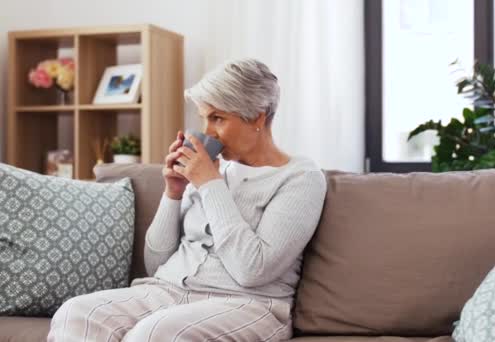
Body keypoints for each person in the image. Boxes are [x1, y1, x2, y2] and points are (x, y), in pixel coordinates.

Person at [48, 59, 327, 341]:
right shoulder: (209, 168)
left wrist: (209, 184)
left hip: (248, 303)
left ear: (257, 116)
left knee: (155, 335)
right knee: (77, 313)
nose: (207, 132)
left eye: (218, 118)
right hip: (168, 291)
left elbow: (253, 271)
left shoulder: (300, 177)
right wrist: (173, 192)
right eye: (204, 118)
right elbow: (156, 265)